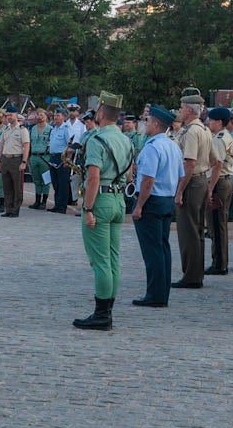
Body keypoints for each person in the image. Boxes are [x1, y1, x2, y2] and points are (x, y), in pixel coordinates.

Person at [74, 92, 134, 330]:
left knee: (100, 261)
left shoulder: (97, 140)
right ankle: (108, 310)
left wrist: (88, 208)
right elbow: (130, 174)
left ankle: (101, 315)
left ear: (100, 113)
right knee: (113, 260)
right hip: (119, 199)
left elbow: (93, 177)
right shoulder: (127, 139)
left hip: (100, 201)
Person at [131, 104, 182, 308]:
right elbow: (181, 175)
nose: (145, 124)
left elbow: (148, 181)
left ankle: (155, 294)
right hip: (167, 199)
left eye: (148, 121)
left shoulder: (153, 147)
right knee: (163, 248)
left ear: (157, 124)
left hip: (152, 200)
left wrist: (139, 206)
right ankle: (162, 292)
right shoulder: (173, 145)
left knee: (152, 251)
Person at [172, 90, 216, 290]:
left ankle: (190, 276)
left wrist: (180, 191)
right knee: (198, 230)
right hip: (201, 180)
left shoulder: (191, 131)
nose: (180, 111)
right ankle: (196, 274)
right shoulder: (205, 130)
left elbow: (189, 163)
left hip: (191, 182)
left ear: (189, 110)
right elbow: (216, 160)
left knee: (188, 231)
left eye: (182, 108)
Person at [205, 107, 233, 276]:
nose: (208, 123)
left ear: (218, 122)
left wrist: (210, 189)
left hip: (218, 183)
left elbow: (217, 165)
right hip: (224, 182)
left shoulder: (218, 139)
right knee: (219, 224)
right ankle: (220, 261)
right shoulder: (226, 136)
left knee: (216, 225)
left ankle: (219, 263)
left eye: (210, 120)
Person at [0, 109, 30, 217]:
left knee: (17, 187)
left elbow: (26, 146)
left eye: (11, 115)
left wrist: (24, 161)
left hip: (16, 159)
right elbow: (1, 145)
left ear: (16, 115)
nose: (9, 117)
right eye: (7, 115)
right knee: (7, 186)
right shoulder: (6, 129)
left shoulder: (22, 129)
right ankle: (8, 209)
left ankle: (16, 210)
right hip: (6, 159)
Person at [28, 109, 53, 210]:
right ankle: (37, 201)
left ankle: (44, 202)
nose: (39, 117)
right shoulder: (32, 129)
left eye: (42, 115)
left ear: (46, 116)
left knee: (46, 180)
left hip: (45, 157)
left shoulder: (50, 129)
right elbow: (29, 143)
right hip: (34, 156)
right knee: (36, 179)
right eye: (38, 115)